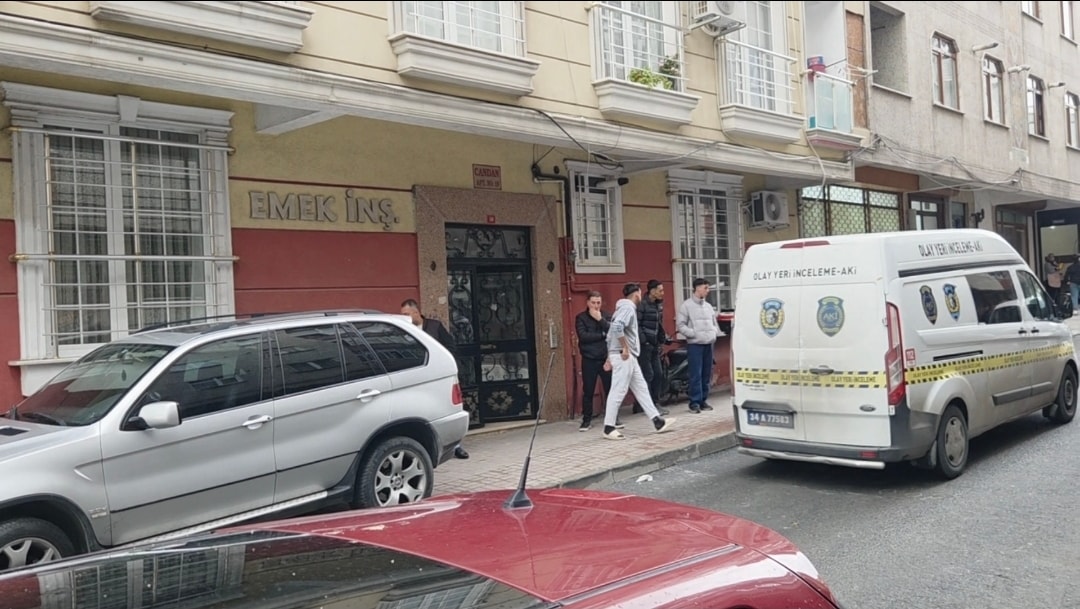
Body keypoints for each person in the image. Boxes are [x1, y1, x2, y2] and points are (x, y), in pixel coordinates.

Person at [600, 283, 676, 440]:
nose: (641, 296)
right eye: (640, 294)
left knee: (641, 388)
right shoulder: (628, 308)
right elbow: (617, 327)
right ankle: (608, 427)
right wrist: (624, 347)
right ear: (637, 294)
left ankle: (657, 421)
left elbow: (609, 335)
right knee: (618, 390)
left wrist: (610, 355)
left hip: (626, 356)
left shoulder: (621, 309)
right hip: (624, 356)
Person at [401, 299, 469, 459]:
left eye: (406, 314)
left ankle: (456, 446)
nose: (404, 317)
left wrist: (443, 365)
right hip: (418, 378)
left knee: (447, 409)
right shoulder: (405, 330)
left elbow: (450, 347)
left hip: (439, 376)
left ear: (416, 312)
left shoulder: (434, 326)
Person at [574, 291, 623, 432]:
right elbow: (583, 336)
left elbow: (612, 332)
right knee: (588, 390)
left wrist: (600, 320)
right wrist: (602, 335)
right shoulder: (581, 318)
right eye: (593, 303)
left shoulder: (606, 316)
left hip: (605, 357)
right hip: (589, 358)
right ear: (587, 303)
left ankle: (613, 417)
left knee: (610, 389)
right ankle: (586, 420)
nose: (596, 306)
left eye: (598, 303)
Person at [676, 278, 720, 414]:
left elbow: (714, 323)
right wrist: (693, 334)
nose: (708, 290)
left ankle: (703, 400)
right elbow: (681, 325)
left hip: (709, 343)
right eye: (705, 288)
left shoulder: (708, 306)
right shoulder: (686, 306)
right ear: (697, 288)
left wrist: (714, 333)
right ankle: (694, 402)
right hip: (695, 344)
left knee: (707, 373)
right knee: (695, 374)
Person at [635, 279, 670, 416]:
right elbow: (637, 325)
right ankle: (648, 405)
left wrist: (662, 338)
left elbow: (659, 324)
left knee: (658, 374)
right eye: (660, 290)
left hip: (655, 345)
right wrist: (644, 341)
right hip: (645, 346)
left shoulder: (658, 305)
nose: (662, 293)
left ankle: (651, 402)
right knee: (648, 375)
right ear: (652, 291)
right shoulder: (642, 305)